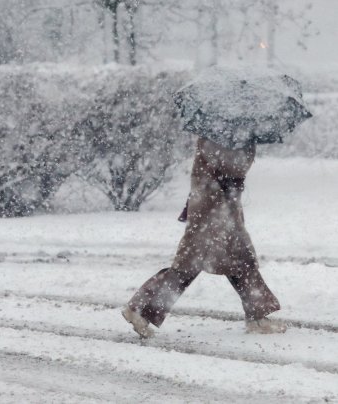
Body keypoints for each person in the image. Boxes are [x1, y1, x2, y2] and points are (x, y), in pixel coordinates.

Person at [122, 137, 286, 337]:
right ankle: (141, 309)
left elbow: (228, 170)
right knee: (201, 265)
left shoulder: (226, 132)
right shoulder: (220, 134)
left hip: (216, 209)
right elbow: (229, 168)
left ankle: (257, 316)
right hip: (213, 211)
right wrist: (246, 151)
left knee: (234, 263)